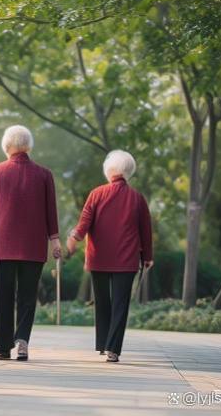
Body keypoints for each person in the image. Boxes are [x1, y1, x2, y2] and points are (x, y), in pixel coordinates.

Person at [0, 125, 62, 361]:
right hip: (33, 246)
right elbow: (51, 212)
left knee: (4, 295)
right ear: (29, 146)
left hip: (2, 245)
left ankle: (3, 349)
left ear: (7, 147)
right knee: (27, 296)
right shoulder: (44, 174)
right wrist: (55, 240)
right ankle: (23, 342)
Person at [67, 150, 153, 363]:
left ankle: (103, 344)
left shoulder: (96, 194)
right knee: (120, 304)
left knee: (103, 301)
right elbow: (146, 231)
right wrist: (147, 257)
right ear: (129, 172)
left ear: (109, 171)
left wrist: (73, 238)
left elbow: (84, 223)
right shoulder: (137, 198)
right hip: (127, 260)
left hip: (99, 259)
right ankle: (113, 349)